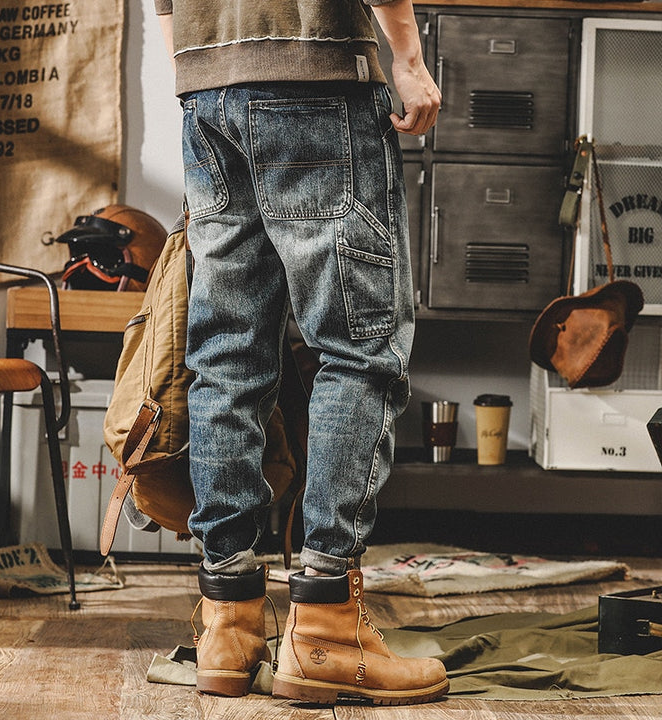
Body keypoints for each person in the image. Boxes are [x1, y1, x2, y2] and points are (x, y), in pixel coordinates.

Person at [153, 0, 448, 706]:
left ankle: (228, 624)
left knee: (227, 355)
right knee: (359, 348)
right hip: (312, 75)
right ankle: (324, 627)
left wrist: (191, 72)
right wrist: (407, 59)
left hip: (206, 90)